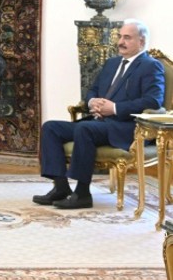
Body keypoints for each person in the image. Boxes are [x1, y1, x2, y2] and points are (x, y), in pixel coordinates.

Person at [33, 18, 164, 209]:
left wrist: (115, 108)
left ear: (141, 42)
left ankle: (82, 193)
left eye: (127, 37)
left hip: (125, 127)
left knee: (85, 129)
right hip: (99, 122)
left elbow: (153, 101)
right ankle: (60, 186)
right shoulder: (111, 63)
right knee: (50, 127)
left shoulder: (150, 66)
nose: (120, 42)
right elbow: (93, 90)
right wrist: (92, 101)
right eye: (120, 36)